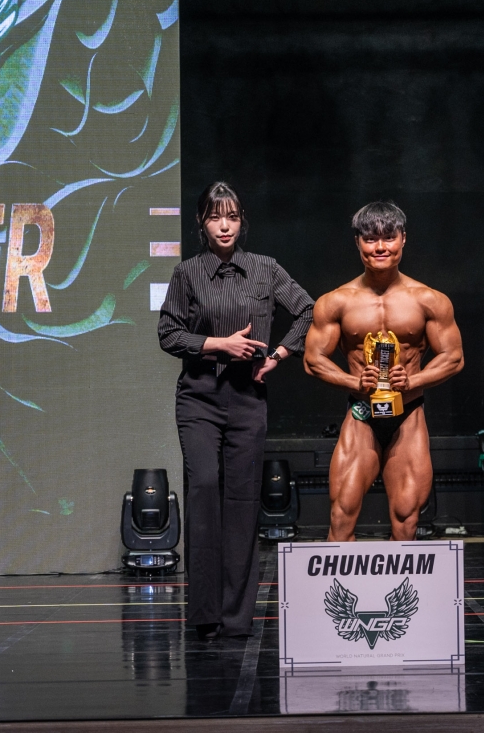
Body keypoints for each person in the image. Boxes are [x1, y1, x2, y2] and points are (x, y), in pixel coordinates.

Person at [158, 181, 314, 640]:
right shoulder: (188, 273)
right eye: (214, 217)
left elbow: (308, 310)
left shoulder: (265, 268)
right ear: (202, 223)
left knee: (243, 501)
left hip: (247, 398)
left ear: (242, 221)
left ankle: (235, 617)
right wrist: (217, 344)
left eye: (231, 217)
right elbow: (168, 332)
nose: (223, 226)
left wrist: (280, 355)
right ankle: (204, 613)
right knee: (205, 488)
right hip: (199, 397)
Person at [303, 201, 464, 541]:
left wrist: (414, 379)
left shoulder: (428, 300)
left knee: (406, 518)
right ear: (357, 242)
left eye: (389, 238)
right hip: (362, 412)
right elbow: (313, 359)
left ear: (403, 238)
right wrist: (353, 381)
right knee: (341, 514)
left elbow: (453, 357)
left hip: (408, 414)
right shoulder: (336, 301)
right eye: (370, 239)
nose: (380, 247)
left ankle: (395, 578)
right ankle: (342, 579)